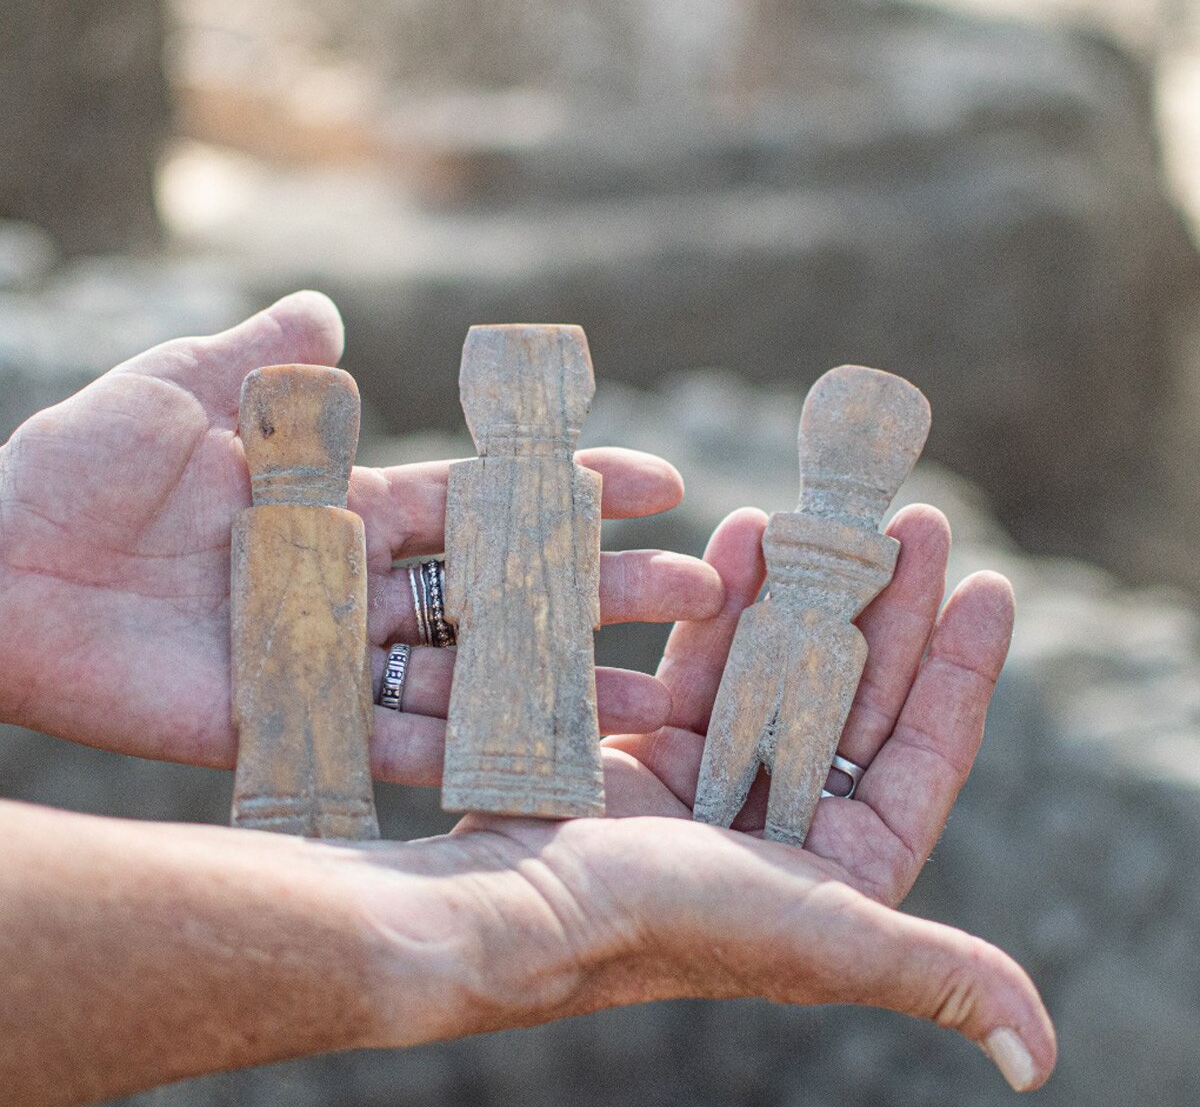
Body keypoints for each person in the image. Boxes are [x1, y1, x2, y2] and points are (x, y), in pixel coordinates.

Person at [0, 292, 1055, 1104]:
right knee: (336, 726)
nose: (528, 401)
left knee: (553, 689)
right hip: (467, 703)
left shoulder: (531, 498)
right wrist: (490, 918)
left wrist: (22, 576)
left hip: (587, 693)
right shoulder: (327, 528)